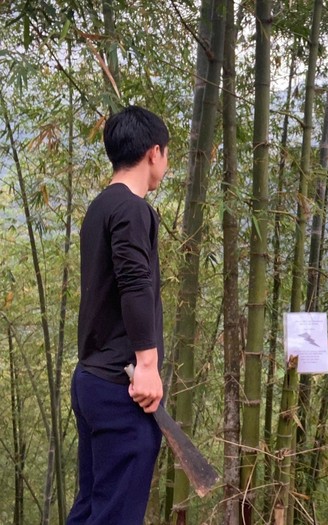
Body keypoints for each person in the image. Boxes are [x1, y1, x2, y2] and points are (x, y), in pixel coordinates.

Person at [67, 105, 169, 525]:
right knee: (116, 515)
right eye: (167, 154)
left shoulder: (99, 207)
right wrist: (147, 363)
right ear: (153, 153)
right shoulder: (132, 208)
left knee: (92, 506)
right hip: (121, 385)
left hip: (92, 380)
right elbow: (133, 284)